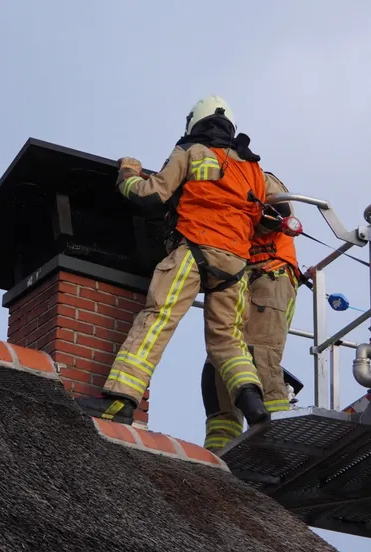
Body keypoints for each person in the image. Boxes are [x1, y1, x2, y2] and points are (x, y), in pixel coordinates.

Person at [75, 95, 270, 428]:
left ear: (195, 122)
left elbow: (151, 194)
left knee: (157, 319)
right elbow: (260, 215)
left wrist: (127, 173)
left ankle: (120, 402)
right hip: (236, 263)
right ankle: (253, 402)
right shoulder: (253, 168)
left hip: (193, 249)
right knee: (229, 339)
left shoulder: (190, 152)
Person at [200, 171, 303, 452]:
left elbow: (279, 213)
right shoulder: (211, 187)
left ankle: (278, 441)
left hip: (269, 274)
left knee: (259, 353)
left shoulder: (258, 178)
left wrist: (231, 218)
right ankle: (218, 456)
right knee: (218, 366)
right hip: (236, 278)